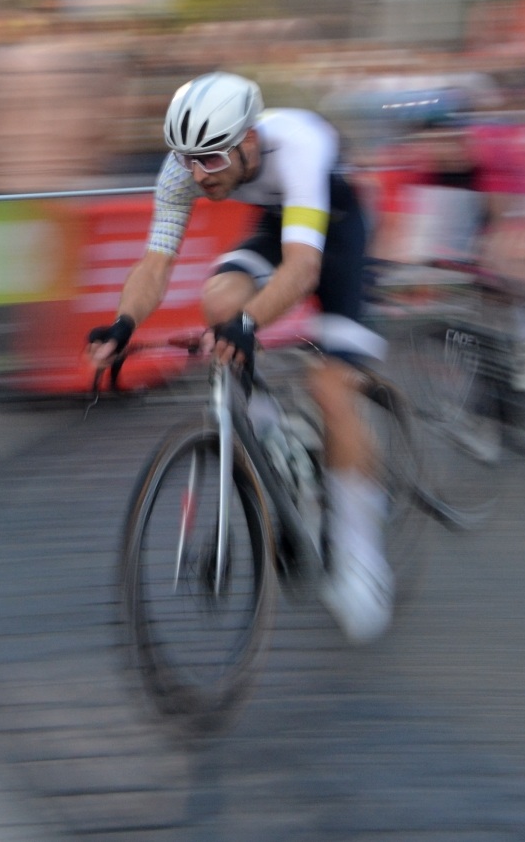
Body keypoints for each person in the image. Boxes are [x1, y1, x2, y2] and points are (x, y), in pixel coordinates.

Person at [86, 71, 392, 644]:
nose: (199, 175)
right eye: (189, 160)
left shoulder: (296, 143)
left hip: (339, 230)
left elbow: (303, 269)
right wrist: (124, 322)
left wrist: (250, 326)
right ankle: (278, 442)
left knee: (331, 388)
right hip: (279, 226)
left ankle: (361, 556)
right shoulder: (184, 169)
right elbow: (155, 265)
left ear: (248, 138)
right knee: (218, 298)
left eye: (211, 158)